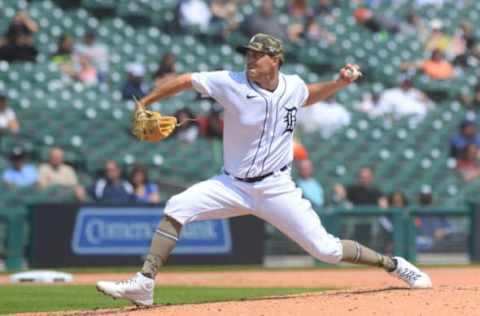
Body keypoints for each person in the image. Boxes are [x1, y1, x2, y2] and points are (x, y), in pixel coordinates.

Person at [96, 33, 431, 307]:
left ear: (276, 60)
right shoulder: (229, 81)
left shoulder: (293, 86)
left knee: (326, 250)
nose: (250, 59)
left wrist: (339, 83)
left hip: (276, 188)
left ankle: (395, 265)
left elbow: (308, 95)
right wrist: (147, 102)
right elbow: (185, 80)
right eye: (249, 53)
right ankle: (144, 282)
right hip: (231, 184)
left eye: (258, 54)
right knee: (177, 206)